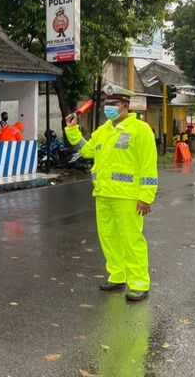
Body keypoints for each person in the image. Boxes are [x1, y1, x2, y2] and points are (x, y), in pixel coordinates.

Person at [64, 84, 158, 302]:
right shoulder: (104, 130)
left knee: (131, 240)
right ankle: (117, 276)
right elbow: (86, 151)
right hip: (103, 194)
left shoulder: (140, 130)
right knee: (108, 238)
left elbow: (148, 166)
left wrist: (146, 196)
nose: (108, 108)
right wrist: (72, 130)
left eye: (113, 104)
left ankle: (139, 284)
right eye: (106, 104)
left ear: (125, 106)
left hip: (128, 196)